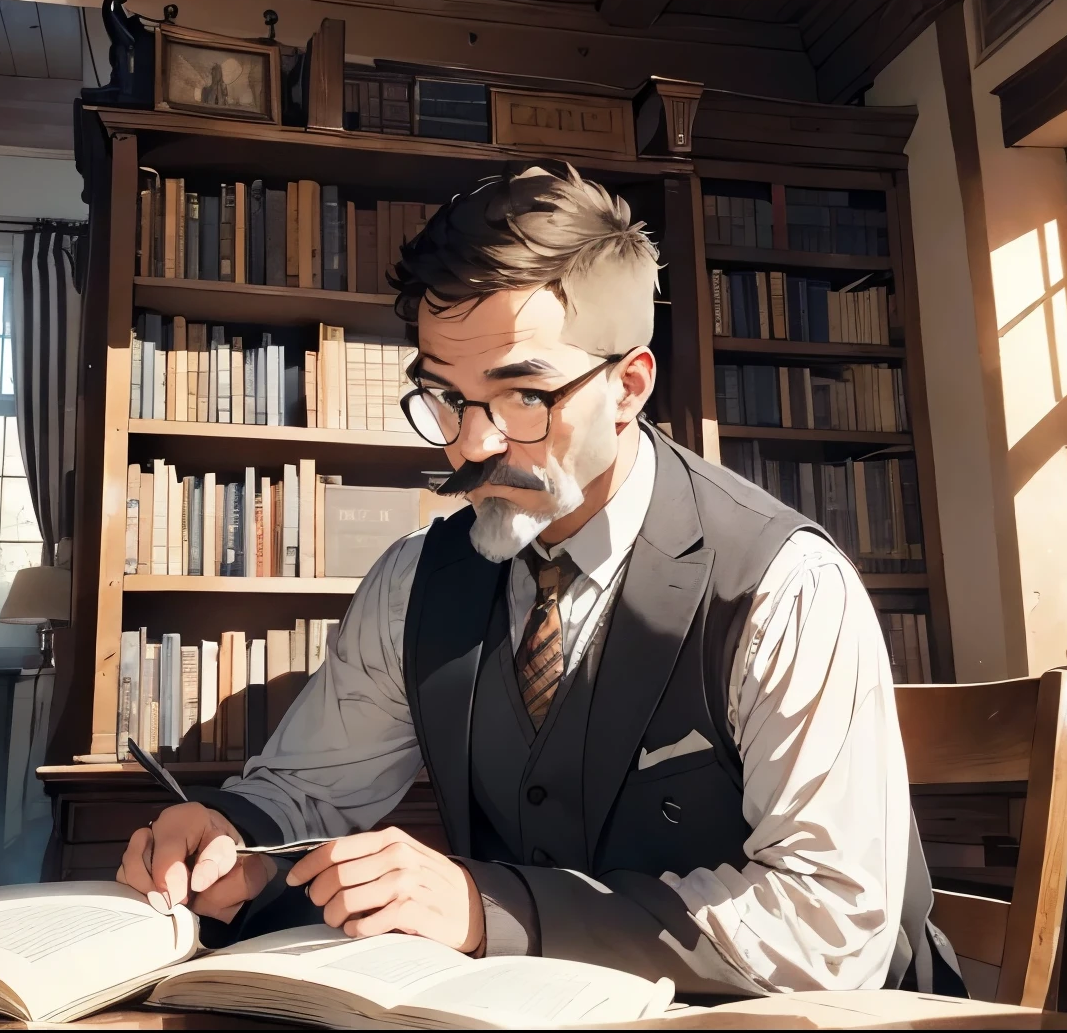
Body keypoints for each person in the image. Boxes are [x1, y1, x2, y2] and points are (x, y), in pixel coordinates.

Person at [116, 161, 958, 995]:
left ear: (628, 386)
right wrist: (232, 837)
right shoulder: (413, 585)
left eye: (522, 398)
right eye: (444, 396)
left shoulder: (784, 587)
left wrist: (490, 910)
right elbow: (308, 793)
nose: (469, 447)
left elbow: (831, 927)